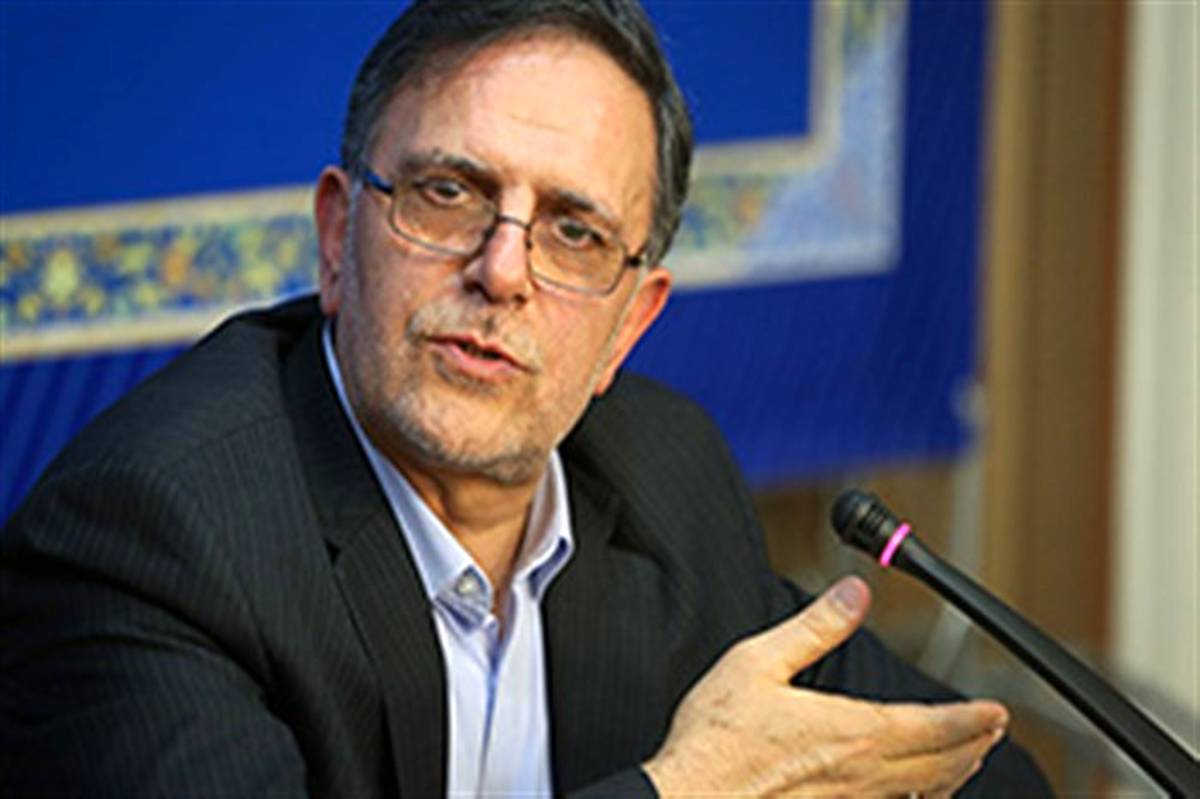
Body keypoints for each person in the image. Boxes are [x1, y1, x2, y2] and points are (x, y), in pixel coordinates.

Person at [0, 1, 1051, 796]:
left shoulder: (663, 476)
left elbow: (987, 775)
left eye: (574, 232)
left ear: (628, 326)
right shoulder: (153, 540)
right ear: (336, 237)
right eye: (448, 193)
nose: (502, 271)